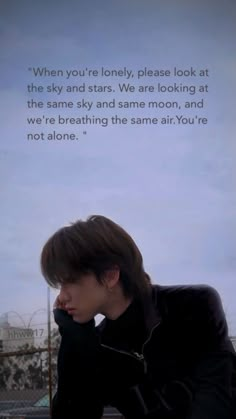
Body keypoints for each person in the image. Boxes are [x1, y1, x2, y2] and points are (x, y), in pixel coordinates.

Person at [40, 215, 236, 419]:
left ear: (110, 276)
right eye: (59, 285)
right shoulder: (97, 345)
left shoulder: (192, 306)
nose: (62, 297)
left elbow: (216, 395)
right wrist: (75, 341)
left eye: (69, 281)